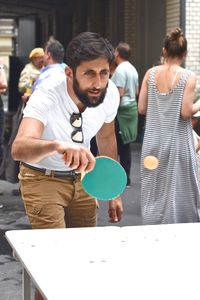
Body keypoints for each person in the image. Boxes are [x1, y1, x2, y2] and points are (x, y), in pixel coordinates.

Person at [138, 27, 200, 225]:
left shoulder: (150, 73)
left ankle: (152, 227)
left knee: (153, 188)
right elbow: (185, 112)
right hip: (178, 143)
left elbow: (141, 108)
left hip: (152, 142)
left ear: (164, 51)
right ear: (185, 54)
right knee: (181, 190)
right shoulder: (188, 77)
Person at [111, 42, 139, 187]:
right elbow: (136, 92)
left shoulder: (121, 70)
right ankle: (126, 178)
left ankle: (119, 179)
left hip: (121, 112)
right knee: (126, 145)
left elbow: (120, 93)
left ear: (117, 53)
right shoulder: (133, 69)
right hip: (131, 109)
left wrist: (111, 109)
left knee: (116, 145)